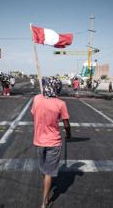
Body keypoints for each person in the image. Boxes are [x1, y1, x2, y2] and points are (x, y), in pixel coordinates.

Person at [31, 77, 71, 208]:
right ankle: (44, 202)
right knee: (48, 172)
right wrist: (69, 134)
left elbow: (33, 114)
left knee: (44, 171)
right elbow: (66, 124)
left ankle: (46, 191)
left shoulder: (37, 98)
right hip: (53, 142)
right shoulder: (60, 104)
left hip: (39, 141)